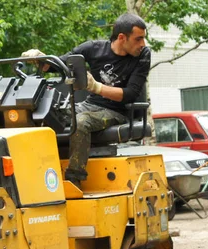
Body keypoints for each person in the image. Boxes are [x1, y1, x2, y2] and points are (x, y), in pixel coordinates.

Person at [22, 13, 151, 187]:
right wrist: (42, 60)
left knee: (80, 122)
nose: (142, 44)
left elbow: (130, 94)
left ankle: (74, 179)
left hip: (118, 112)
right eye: (138, 39)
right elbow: (61, 65)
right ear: (122, 37)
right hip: (91, 105)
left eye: (143, 38)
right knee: (47, 116)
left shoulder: (143, 55)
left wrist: (97, 87)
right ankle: (37, 174)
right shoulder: (93, 48)